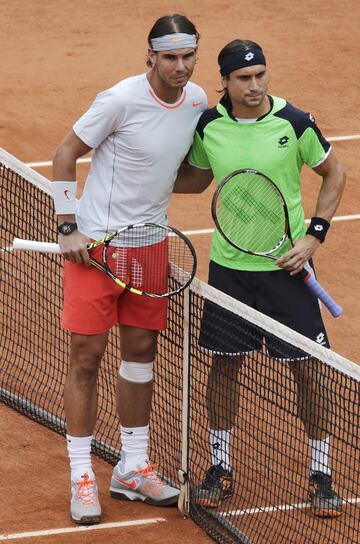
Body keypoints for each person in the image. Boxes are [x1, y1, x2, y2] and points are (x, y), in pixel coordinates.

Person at [174, 39, 346, 517]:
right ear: (224, 83)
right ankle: (220, 466)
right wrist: (138, 173)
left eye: (260, 76)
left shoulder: (294, 123)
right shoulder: (210, 125)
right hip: (231, 271)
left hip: (288, 271)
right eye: (243, 79)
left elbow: (334, 173)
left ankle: (321, 474)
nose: (254, 86)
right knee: (225, 365)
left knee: (309, 371)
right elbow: (196, 179)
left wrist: (314, 236)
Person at [52, 13, 207, 525]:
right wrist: (67, 226)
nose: (180, 67)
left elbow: (182, 179)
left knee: (141, 354)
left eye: (188, 56)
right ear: (151, 56)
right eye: (170, 57)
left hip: (150, 248)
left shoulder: (199, 102)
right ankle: (82, 474)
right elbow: (65, 154)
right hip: (96, 248)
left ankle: (133, 467)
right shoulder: (119, 99)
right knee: (86, 358)